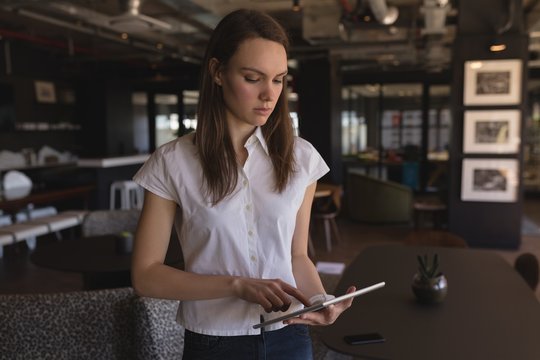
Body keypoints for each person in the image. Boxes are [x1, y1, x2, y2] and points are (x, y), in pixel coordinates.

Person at [131, 8, 356, 359]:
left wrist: (318, 300)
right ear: (218, 72)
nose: (270, 94)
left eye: (279, 79)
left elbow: (297, 256)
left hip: (290, 336)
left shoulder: (302, 158)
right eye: (253, 78)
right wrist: (235, 285)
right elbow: (146, 276)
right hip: (214, 342)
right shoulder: (172, 162)